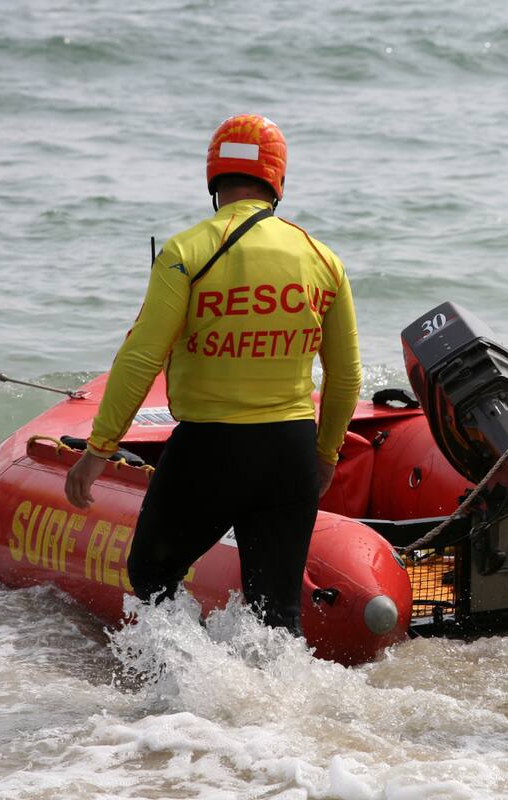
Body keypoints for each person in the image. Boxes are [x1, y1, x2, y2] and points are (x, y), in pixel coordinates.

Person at [64, 114, 362, 635]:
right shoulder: (322, 259)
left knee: (152, 571)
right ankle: (275, 690)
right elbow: (345, 377)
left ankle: (192, 679)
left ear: (213, 177)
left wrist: (98, 450)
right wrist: (326, 453)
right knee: (278, 614)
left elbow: (141, 358)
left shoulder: (186, 252)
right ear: (278, 179)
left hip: (209, 450)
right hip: (290, 451)